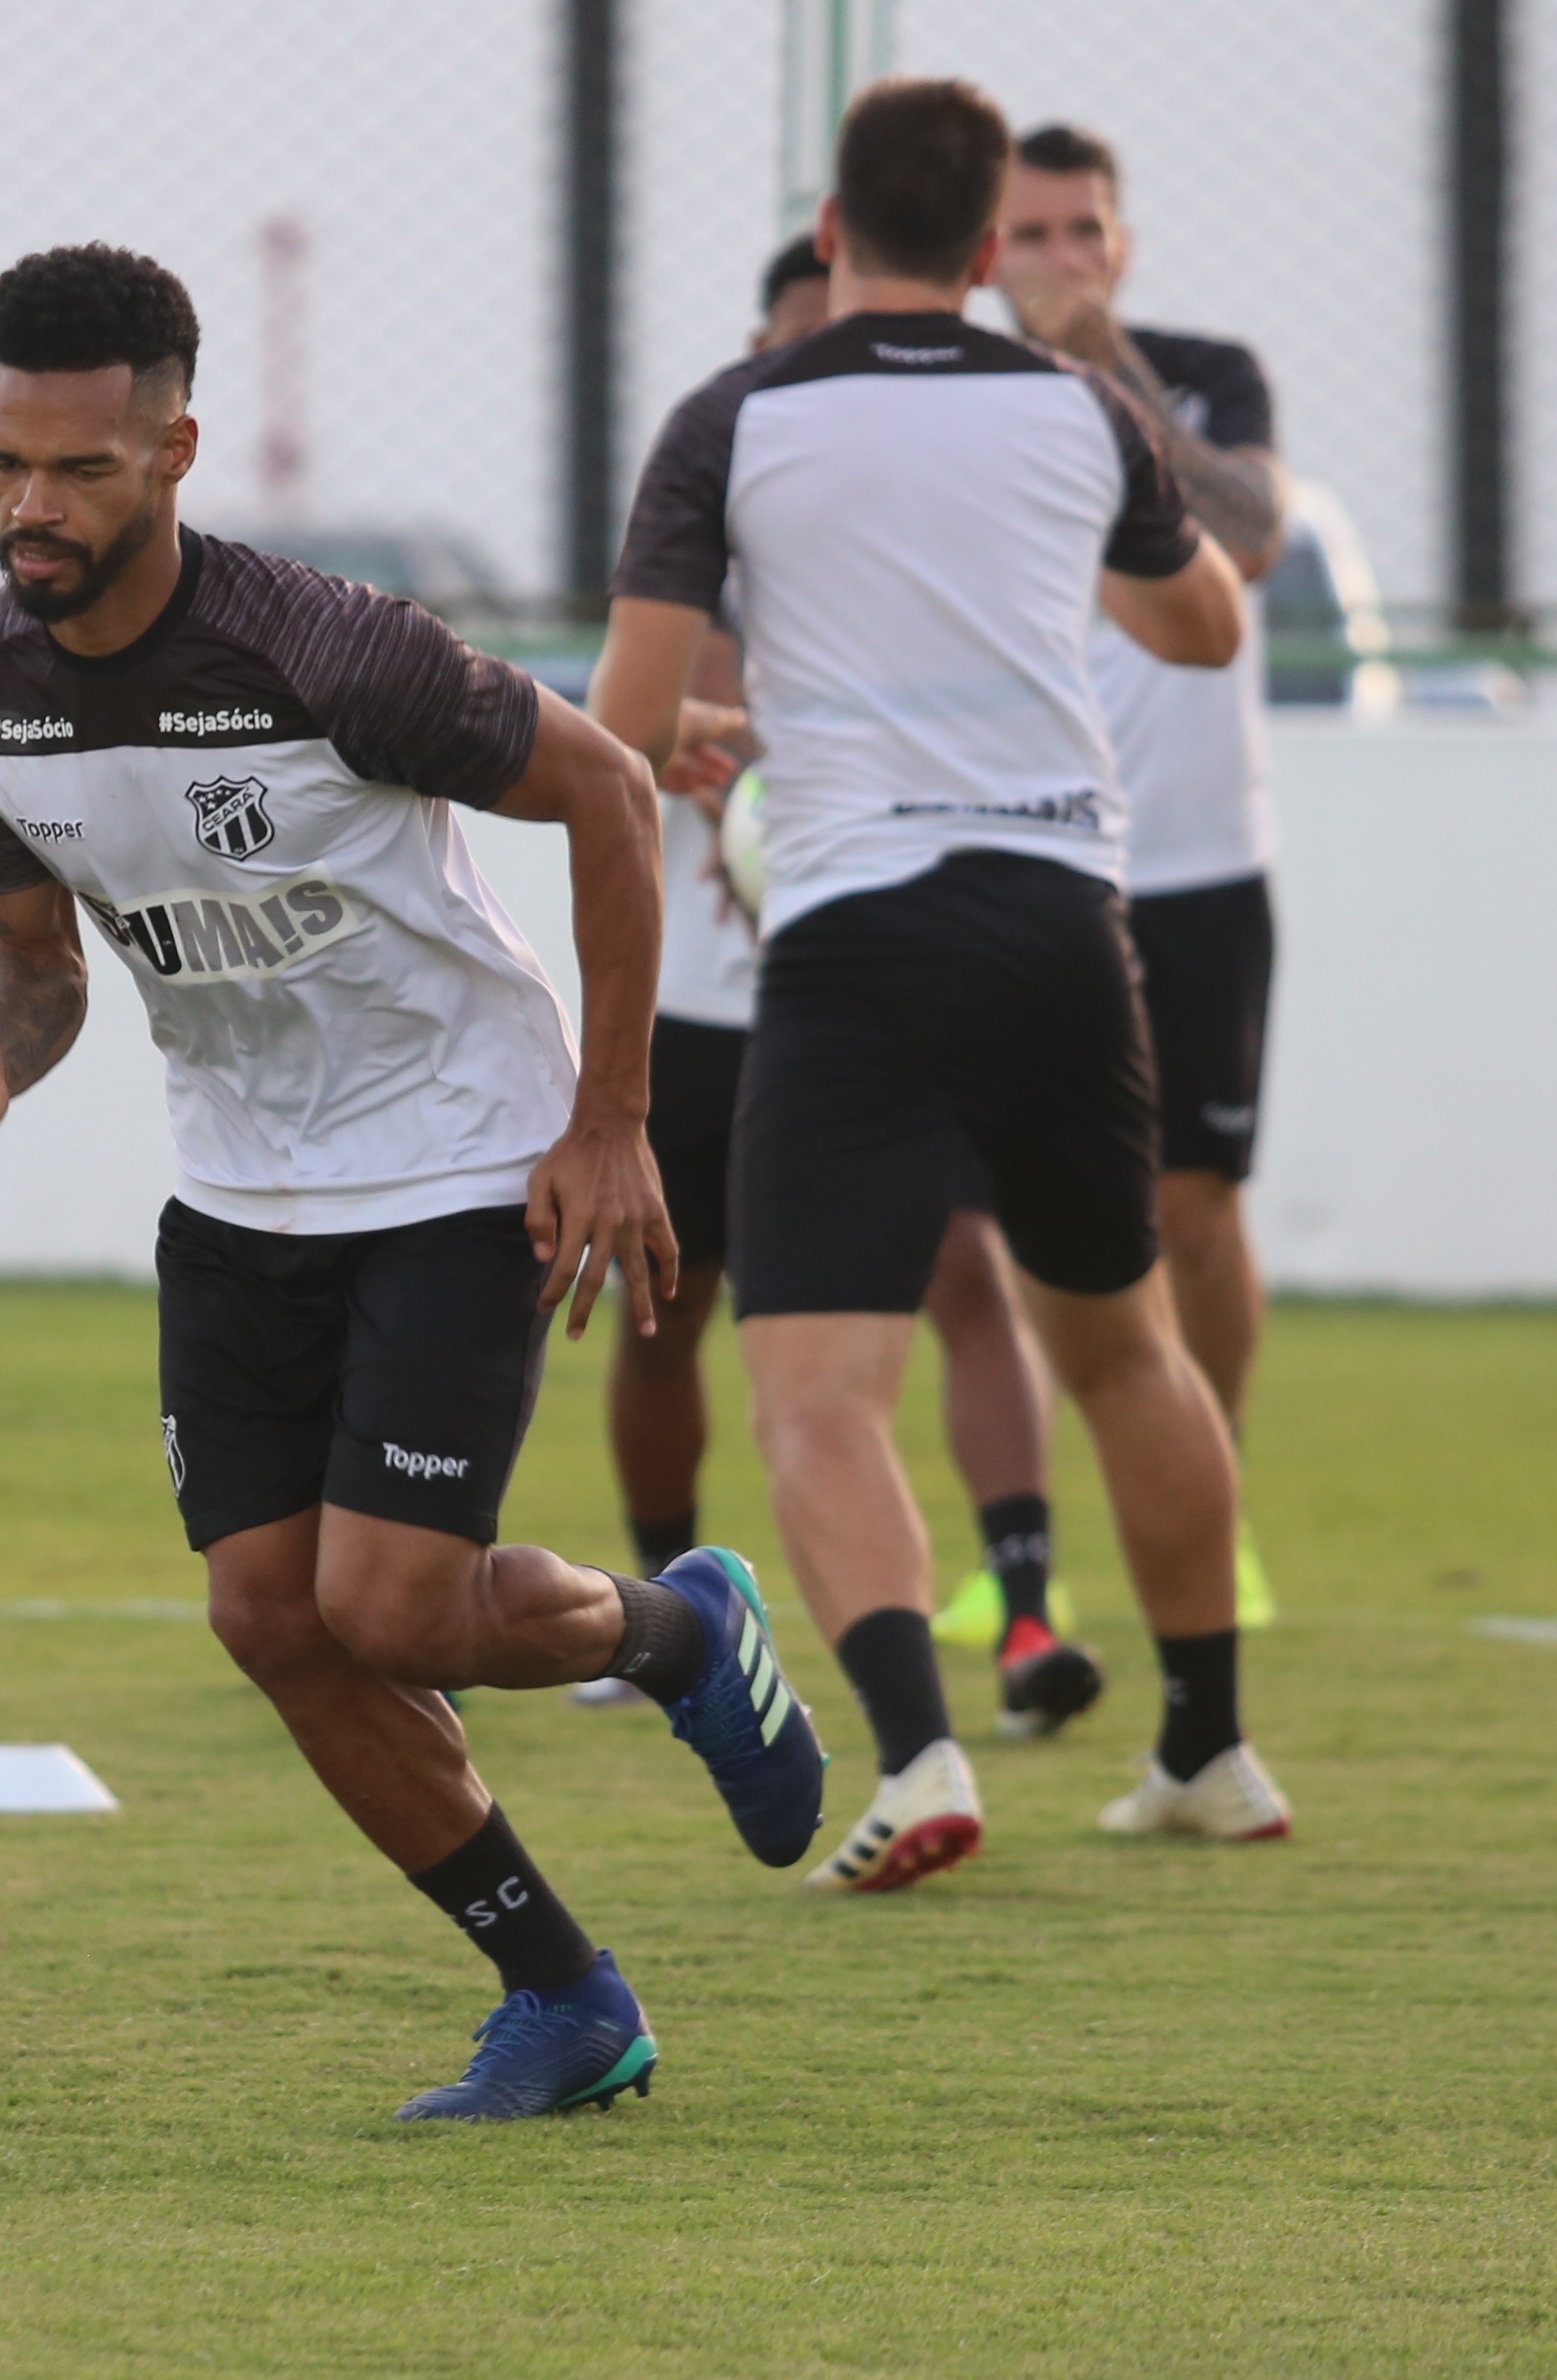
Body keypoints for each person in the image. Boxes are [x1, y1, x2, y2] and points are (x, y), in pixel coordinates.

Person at [0, 244, 826, 2122]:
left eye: (76, 469)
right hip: (239, 1193)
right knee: (268, 1618)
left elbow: (608, 791)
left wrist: (609, 1119)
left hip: (457, 1156)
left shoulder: (327, 651)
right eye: (4, 462)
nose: (28, 507)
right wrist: (3, 1045)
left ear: (174, 451)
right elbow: (42, 963)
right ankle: (563, 1996)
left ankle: (681, 1633)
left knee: (393, 1608)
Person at [590, 79, 1296, 1890]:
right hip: (1067, 922)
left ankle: (916, 1754)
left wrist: (707, 735)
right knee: (1126, 1351)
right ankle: (1207, 1746)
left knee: (817, 1392)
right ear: (989, 248)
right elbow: (1205, 624)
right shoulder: (1080, 410)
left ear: (833, 232)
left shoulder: (734, 417)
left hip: (859, 939)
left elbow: (623, 720)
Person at [581, 236, 1082, 1751]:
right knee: (666, 1314)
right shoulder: (709, 511)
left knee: (969, 1273)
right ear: (764, 350)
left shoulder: (939, 537)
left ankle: (1030, 1607)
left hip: (881, 993)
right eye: (806, 338)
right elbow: (628, 722)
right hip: (707, 1014)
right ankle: (673, 1612)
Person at [987, 120, 1286, 1628]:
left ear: (1123, 242)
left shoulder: (1204, 376)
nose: (1063, 260)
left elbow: (1255, 538)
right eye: (1032, 233)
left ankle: (1209, 1510)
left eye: (1084, 230)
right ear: (983, 252)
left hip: (1202, 861)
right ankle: (1023, 1548)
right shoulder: (957, 399)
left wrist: (1118, 374)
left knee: (1197, 1206)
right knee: (1033, 1223)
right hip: (1040, 857)